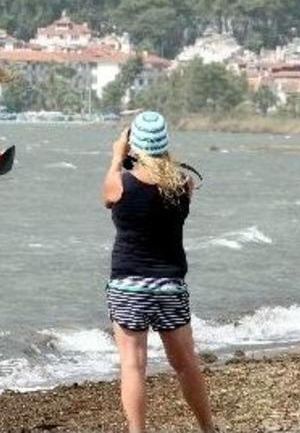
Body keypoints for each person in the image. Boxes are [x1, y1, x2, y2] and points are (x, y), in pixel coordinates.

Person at [101, 111, 216, 433]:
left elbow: (109, 194)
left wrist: (116, 157)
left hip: (128, 286)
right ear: (165, 143)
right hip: (170, 286)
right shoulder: (184, 184)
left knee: (134, 366)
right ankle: (208, 428)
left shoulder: (119, 183)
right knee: (185, 365)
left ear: (132, 144)